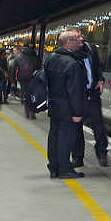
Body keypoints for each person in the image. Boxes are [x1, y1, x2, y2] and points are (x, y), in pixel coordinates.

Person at [45, 28, 86, 179]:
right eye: (76, 40)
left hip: (54, 105)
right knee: (64, 139)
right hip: (67, 108)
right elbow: (74, 91)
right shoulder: (72, 63)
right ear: (68, 42)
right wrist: (77, 112)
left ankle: (54, 168)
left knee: (54, 137)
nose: (79, 42)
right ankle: (65, 169)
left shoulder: (52, 58)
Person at [73, 34, 109, 167]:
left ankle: (101, 153)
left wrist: (100, 79)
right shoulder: (67, 55)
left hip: (92, 94)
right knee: (76, 128)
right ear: (71, 41)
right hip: (77, 96)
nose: (82, 38)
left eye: (81, 35)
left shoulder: (90, 48)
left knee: (99, 125)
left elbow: (97, 65)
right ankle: (78, 157)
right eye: (78, 37)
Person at [15, 42, 42, 119]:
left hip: (23, 79)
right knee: (33, 94)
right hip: (33, 78)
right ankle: (33, 110)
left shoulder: (18, 57)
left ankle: (27, 110)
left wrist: (12, 80)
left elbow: (13, 68)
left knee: (25, 94)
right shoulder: (35, 57)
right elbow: (40, 68)